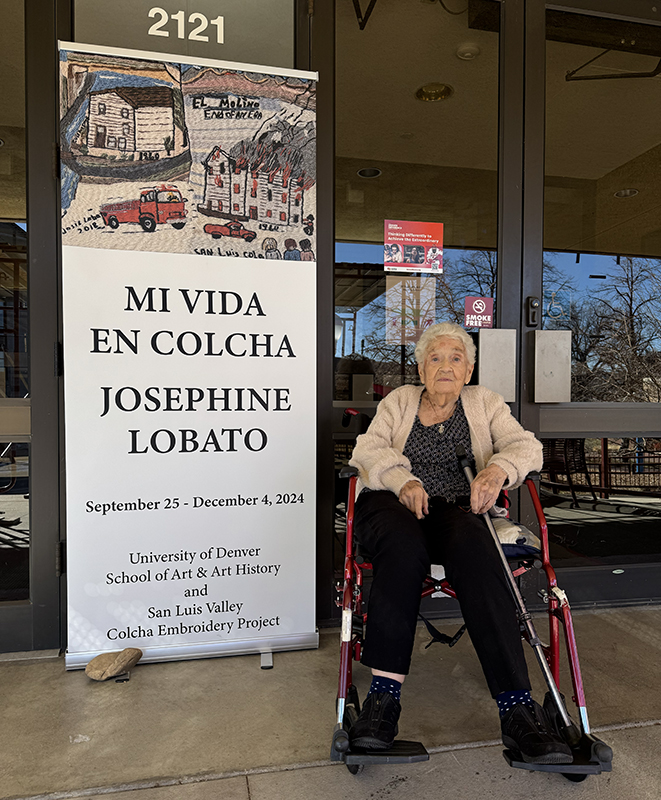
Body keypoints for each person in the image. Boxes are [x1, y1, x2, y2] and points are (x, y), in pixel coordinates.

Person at [347, 321, 572, 765]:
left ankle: (517, 709)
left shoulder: (485, 403)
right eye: (435, 358)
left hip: (457, 510)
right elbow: (367, 451)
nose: (445, 366)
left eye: (455, 358)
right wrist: (402, 479)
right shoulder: (399, 401)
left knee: (478, 548)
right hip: (393, 505)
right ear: (421, 367)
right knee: (402, 548)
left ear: (468, 370)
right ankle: (383, 701)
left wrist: (497, 470)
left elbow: (526, 447)